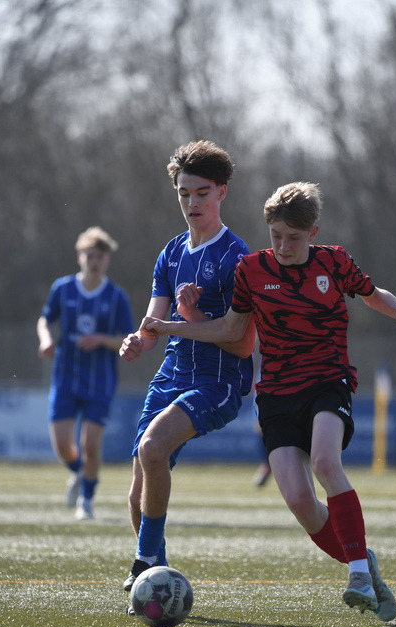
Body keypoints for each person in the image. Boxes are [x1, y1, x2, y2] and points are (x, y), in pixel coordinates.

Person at [143, 181, 396, 621]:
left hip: (328, 382)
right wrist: (171, 325)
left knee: (326, 463)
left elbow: (374, 295)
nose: (283, 246)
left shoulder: (335, 261)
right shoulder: (251, 270)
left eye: (293, 238)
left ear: (313, 232)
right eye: (276, 236)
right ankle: (363, 560)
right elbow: (231, 330)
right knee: (299, 501)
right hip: (275, 394)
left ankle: (357, 576)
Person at [118, 140, 256, 592]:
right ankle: (158, 580)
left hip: (217, 381)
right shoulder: (172, 253)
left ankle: (142, 564)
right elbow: (153, 325)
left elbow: (242, 343)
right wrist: (137, 340)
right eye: (184, 193)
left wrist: (183, 320)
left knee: (153, 447)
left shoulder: (237, 258)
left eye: (201, 193)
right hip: (172, 375)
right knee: (137, 493)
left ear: (222, 192)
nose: (192, 202)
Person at [37, 226, 134, 520]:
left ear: (107, 260)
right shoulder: (62, 288)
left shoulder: (116, 296)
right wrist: (46, 339)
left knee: (90, 445)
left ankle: (86, 501)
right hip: (65, 377)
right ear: (80, 257)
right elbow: (45, 320)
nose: (94, 261)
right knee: (62, 446)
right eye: (89, 255)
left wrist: (101, 339)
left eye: (99, 257)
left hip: (99, 381)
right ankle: (80, 473)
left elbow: (127, 338)